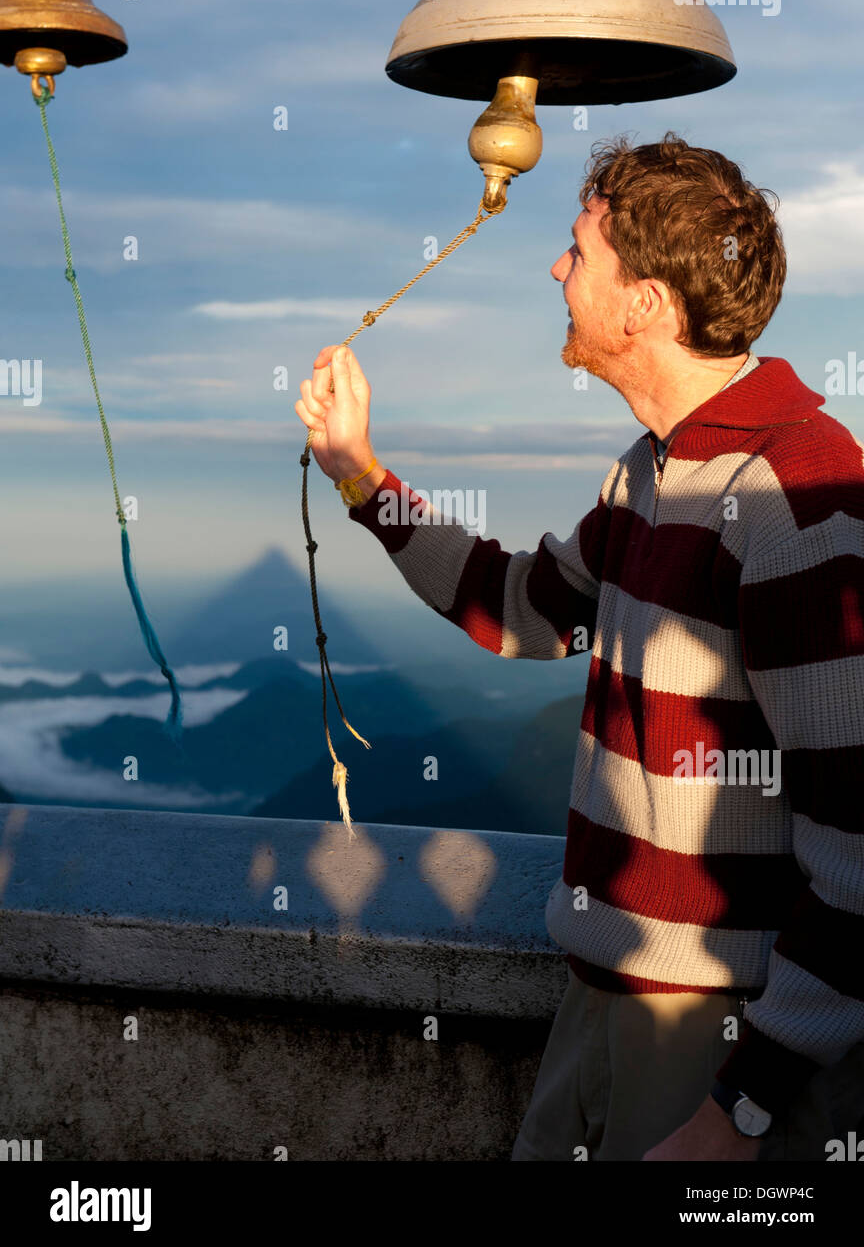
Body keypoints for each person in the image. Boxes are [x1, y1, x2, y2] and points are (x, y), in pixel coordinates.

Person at [295, 134, 864, 1162]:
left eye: (578, 250)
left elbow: (862, 856)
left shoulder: (794, 493)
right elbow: (524, 607)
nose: (556, 269)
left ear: (645, 302)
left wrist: (742, 1109)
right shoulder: (649, 471)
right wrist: (362, 478)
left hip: (713, 1039)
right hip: (599, 1010)